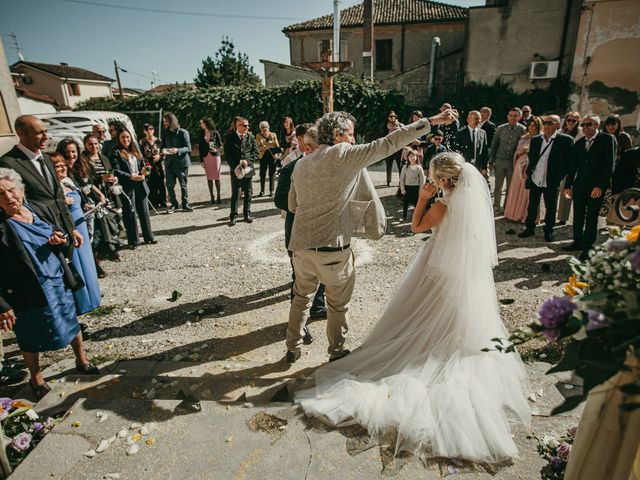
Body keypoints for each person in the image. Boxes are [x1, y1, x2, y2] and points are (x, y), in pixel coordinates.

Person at [296, 153, 529, 463]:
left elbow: (418, 226)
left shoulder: (444, 206)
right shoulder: (470, 207)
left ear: (446, 181)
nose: (430, 181)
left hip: (437, 270)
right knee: (452, 320)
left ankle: (426, 347)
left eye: (433, 178)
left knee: (424, 316)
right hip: (463, 275)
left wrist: (422, 198)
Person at [285, 108, 457, 363]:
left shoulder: (301, 163)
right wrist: (430, 121)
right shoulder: (343, 154)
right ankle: (336, 352)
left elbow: (292, 205)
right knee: (337, 306)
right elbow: (388, 143)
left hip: (299, 247)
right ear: (337, 134)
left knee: (301, 298)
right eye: (351, 135)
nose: (354, 140)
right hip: (333, 248)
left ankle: (292, 347)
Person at [0, 168, 99, 400]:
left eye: (11, 190)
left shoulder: (38, 209)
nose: (9, 197)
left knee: (70, 319)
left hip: (56, 279)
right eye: (1, 194)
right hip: (26, 288)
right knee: (28, 332)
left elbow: (61, 237)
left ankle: (81, 359)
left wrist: (61, 240)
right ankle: (36, 377)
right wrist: (3, 305)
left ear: (21, 189)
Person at [0, 115, 83, 256]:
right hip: (41, 235)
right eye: (40, 133)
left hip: (63, 232)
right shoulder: (8, 162)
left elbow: (58, 197)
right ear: (21, 133)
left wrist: (71, 228)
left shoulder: (47, 159)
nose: (46, 137)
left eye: (46, 131)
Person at [274, 124, 327, 342]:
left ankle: (318, 306)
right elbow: (279, 200)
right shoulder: (290, 168)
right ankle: (300, 326)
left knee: (323, 270)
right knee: (300, 277)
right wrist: (303, 203)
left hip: (323, 230)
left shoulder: (328, 168)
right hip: (298, 231)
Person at [50, 154, 102, 312]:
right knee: (77, 264)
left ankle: (94, 297)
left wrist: (86, 206)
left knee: (88, 263)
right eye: (58, 166)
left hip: (82, 226)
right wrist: (61, 203)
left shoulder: (69, 182)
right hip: (70, 229)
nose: (63, 168)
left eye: (64, 165)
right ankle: (83, 302)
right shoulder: (53, 188)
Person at [563, 114, 617, 260]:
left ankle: (588, 248)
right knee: (578, 215)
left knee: (592, 217)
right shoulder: (579, 143)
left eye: (589, 124)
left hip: (596, 187)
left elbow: (609, 165)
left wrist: (600, 186)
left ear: (597, 126)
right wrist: (568, 185)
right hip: (580, 186)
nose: (585, 127)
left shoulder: (607, 140)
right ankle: (577, 241)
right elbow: (573, 166)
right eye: (584, 125)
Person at [517, 115, 573, 242]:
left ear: (558, 125)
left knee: (551, 206)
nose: (546, 125)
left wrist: (560, 176)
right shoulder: (536, 139)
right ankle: (529, 228)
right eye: (544, 123)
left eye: (550, 123)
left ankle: (548, 231)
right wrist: (528, 173)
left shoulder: (565, 140)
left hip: (552, 180)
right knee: (532, 205)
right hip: (536, 177)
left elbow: (568, 162)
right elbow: (532, 157)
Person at [112, 128, 156, 248]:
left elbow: (145, 163)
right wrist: (131, 176)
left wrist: (146, 170)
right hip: (128, 185)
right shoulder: (116, 152)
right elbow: (116, 170)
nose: (126, 139)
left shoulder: (136, 150)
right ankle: (133, 240)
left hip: (140, 183)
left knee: (144, 211)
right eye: (123, 137)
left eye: (127, 137)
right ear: (119, 139)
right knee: (130, 213)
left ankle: (149, 237)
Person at [503, 117, 542, 223]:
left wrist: (529, 151)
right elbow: (516, 152)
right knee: (516, 188)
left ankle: (527, 216)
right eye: (530, 125)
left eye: (534, 125)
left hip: (532, 166)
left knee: (528, 191)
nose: (532, 127)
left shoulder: (541, 138)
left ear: (538, 126)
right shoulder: (523, 137)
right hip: (519, 165)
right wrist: (520, 152)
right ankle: (514, 214)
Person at [490, 108, 526, 213]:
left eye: (515, 116)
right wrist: (491, 161)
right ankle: (496, 205)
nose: (512, 118)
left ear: (519, 117)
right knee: (498, 185)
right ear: (507, 116)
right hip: (500, 160)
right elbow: (494, 145)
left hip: (513, 162)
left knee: (511, 186)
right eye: (510, 115)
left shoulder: (522, 129)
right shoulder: (500, 128)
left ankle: (507, 207)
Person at [224, 116, 258, 226]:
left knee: (248, 192)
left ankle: (247, 214)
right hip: (236, 170)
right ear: (237, 126)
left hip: (248, 168)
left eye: (247, 125)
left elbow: (255, 153)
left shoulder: (251, 136)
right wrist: (236, 166)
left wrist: (247, 161)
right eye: (244, 125)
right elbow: (228, 155)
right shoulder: (229, 138)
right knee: (236, 192)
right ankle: (233, 216)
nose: (247, 127)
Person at [162, 112, 192, 213]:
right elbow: (163, 146)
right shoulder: (165, 133)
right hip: (169, 162)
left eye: (165, 120)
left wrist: (178, 150)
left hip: (181, 162)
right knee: (169, 185)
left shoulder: (183, 132)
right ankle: (174, 204)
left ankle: (185, 204)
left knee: (183, 185)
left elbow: (188, 148)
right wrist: (163, 151)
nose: (164, 123)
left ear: (171, 121)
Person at [557, 112, 583, 225]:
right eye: (569, 120)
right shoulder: (560, 132)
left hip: (575, 166)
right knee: (558, 191)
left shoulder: (581, 133)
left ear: (577, 122)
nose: (571, 122)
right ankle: (557, 215)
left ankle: (565, 218)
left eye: (574, 120)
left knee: (568, 191)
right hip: (561, 165)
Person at [140, 123, 167, 209]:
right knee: (150, 182)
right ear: (144, 131)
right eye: (147, 129)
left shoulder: (158, 141)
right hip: (147, 163)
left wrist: (160, 156)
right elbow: (141, 155)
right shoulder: (142, 142)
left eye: (151, 129)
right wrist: (146, 165)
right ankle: (153, 202)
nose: (149, 131)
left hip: (158, 164)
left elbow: (164, 151)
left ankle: (163, 201)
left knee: (160, 182)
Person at [453, 110, 489, 174]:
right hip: (464, 166)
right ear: (468, 120)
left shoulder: (483, 133)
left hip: (477, 166)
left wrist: (484, 167)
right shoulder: (460, 133)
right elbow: (456, 150)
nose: (478, 121)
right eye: (476, 119)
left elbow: (484, 151)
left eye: (479, 119)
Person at [197, 118, 222, 205]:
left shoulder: (215, 133)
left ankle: (219, 196)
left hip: (215, 157)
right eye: (201, 124)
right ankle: (212, 197)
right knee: (209, 177)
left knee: (217, 177)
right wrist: (201, 160)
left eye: (202, 123)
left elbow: (221, 145)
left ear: (207, 123)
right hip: (206, 157)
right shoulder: (201, 133)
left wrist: (216, 149)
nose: (201, 125)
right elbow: (200, 148)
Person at [255, 121, 280, 197]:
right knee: (262, 174)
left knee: (271, 174)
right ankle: (262, 191)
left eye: (265, 127)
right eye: (262, 127)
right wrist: (268, 146)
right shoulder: (258, 136)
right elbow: (258, 147)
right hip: (263, 156)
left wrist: (268, 145)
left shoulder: (273, 135)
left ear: (268, 127)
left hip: (272, 156)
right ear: (260, 129)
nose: (264, 128)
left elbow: (276, 145)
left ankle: (271, 191)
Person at [399, 149, 425, 221]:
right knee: (405, 202)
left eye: (413, 156)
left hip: (416, 188)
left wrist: (421, 189)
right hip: (407, 187)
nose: (412, 158)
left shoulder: (419, 168)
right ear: (408, 158)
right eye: (410, 156)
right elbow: (402, 179)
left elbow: (422, 179)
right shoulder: (405, 167)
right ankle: (404, 216)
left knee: (417, 203)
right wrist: (402, 188)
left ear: (416, 157)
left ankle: (417, 217)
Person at [383, 111, 404, 186]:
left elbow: (404, 135)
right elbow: (382, 137)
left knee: (400, 165)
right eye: (390, 116)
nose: (392, 118)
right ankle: (388, 181)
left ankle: (401, 181)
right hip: (389, 147)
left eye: (393, 116)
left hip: (398, 147)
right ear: (388, 117)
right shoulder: (385, 126)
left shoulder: (400, 125)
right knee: (389, 164)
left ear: (396, 117)